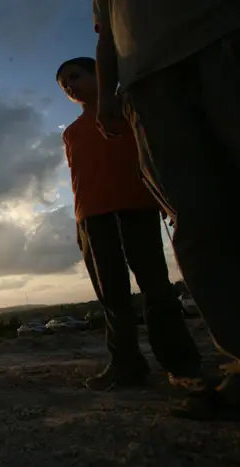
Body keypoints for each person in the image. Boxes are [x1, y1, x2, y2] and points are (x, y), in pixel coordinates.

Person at [93, 0, 240, 420]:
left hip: (223, 36)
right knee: (196, 222)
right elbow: (106, 34)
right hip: (148, 80)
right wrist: (108, 94)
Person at [57, 57, 205, 393]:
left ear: (99, 73)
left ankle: (181, 362)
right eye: (63, 83)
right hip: (91, 217)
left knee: (157, 289)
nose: (69, 85)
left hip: (136, 207)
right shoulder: (71, 133)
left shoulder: (128, 111)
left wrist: (166, 197)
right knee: (112, 295)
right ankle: (126, 365)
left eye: (75, 76)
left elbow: (151, 157)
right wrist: (80, 220)